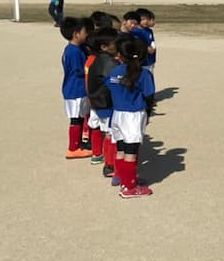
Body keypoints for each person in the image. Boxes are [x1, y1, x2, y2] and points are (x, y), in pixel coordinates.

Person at [108, 37, 156, 198]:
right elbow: (149, 96)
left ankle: (124, 178)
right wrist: (148, 114)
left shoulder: (115, 72)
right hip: (133, 115)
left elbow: (109, 90)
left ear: (121, 56)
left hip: (117, 114)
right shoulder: (144, 74)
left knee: (121, 149)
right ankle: (129, 188)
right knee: (131, 152)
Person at [86, 27, 120, 174]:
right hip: (106, 103)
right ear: (104, 47)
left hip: (99, 101)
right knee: (110, 134)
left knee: (107, 132)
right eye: (115, 43)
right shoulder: (108, 63)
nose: (118, 45)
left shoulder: (98, 59)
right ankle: (110, 164)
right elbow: (115, 84)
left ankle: (107, 161)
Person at [60, 17, 93, 159]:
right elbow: (80, 70)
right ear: (76, 34)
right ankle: (73, 148)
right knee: (75, 119)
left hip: (78, 89)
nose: (87, 35)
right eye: (85, 32)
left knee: (80, 117)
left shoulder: (76, 49)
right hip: (75, 90)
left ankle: (79, 143)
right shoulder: (73, 51)